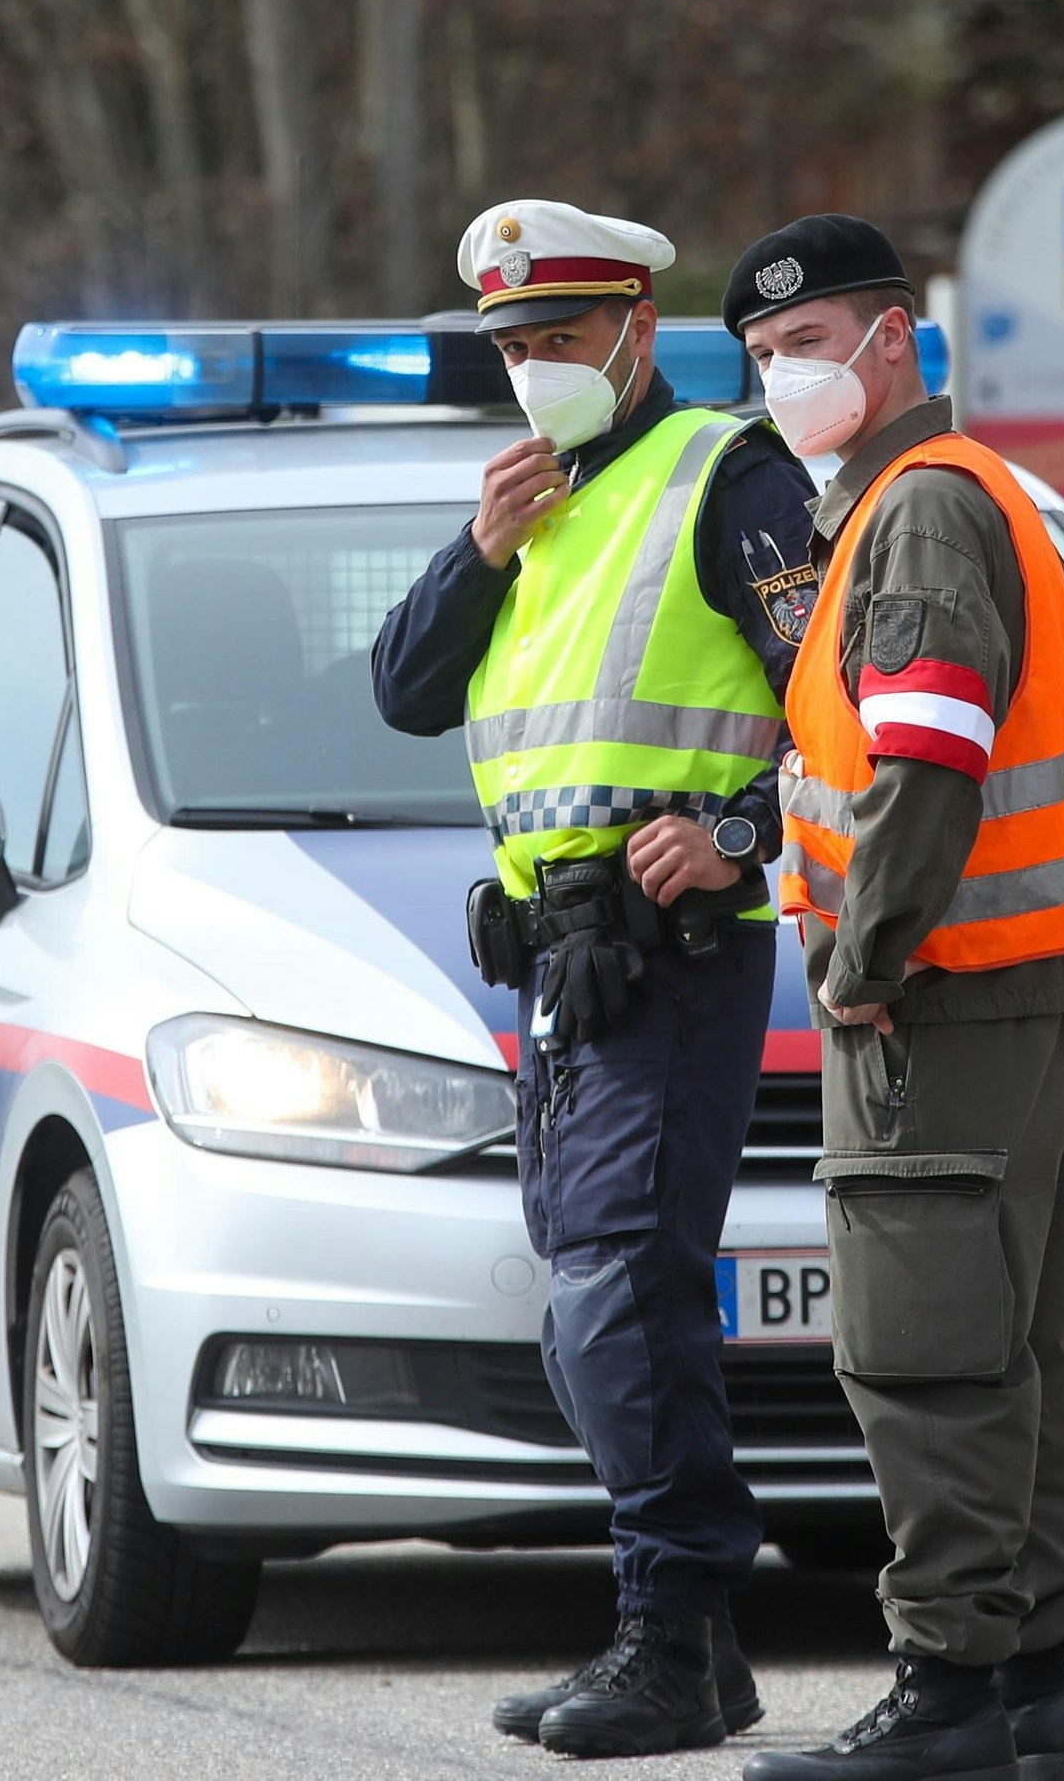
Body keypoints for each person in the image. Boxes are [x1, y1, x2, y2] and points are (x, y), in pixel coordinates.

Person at [369, 198, 822, 1760]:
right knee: (588, 1315)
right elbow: (404, 689)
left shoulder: (728, 477)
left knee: (623, 1295)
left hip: (677, 957)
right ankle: (685, 1637)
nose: (532, 368)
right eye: (511, 347)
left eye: (558, 338)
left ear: (637, 328)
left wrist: (744, 835)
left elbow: (839, 691)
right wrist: (476, 547)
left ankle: (676, 1634)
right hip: (561, 980)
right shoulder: (537, 512)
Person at [729, 214, 1064, 1781]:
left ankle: (949, 1697)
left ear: (896, 340)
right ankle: (1035, 1694)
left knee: (921, 1357)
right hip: (1033, 995)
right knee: (1030, 1353)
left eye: (812, 343)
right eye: (765, 357)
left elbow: (925, 755)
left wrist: (868, 960)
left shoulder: (908, 515)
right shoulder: (983, 492)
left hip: (934, 998)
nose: (786, 376)